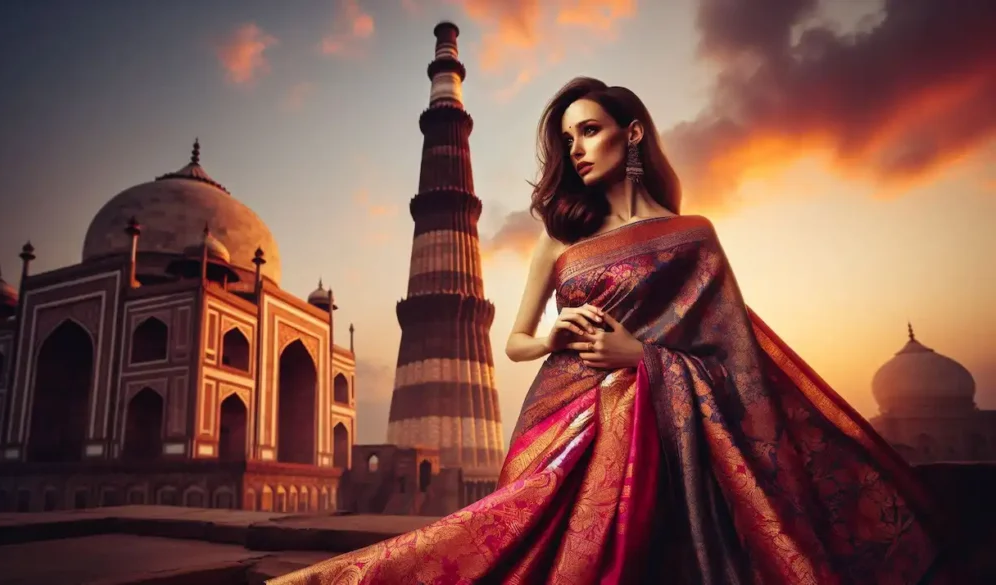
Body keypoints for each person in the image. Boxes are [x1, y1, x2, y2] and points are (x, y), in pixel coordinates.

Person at [270, 77, 956, 584]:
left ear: (631, 133)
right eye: (567, 139)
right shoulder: (559, 238)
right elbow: (515, 341)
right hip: (563, 430)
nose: (576, 149)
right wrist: (554, 334)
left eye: (589, 129)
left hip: (658, 434)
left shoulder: (693, 238)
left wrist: (645, 357)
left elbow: (738, 368)